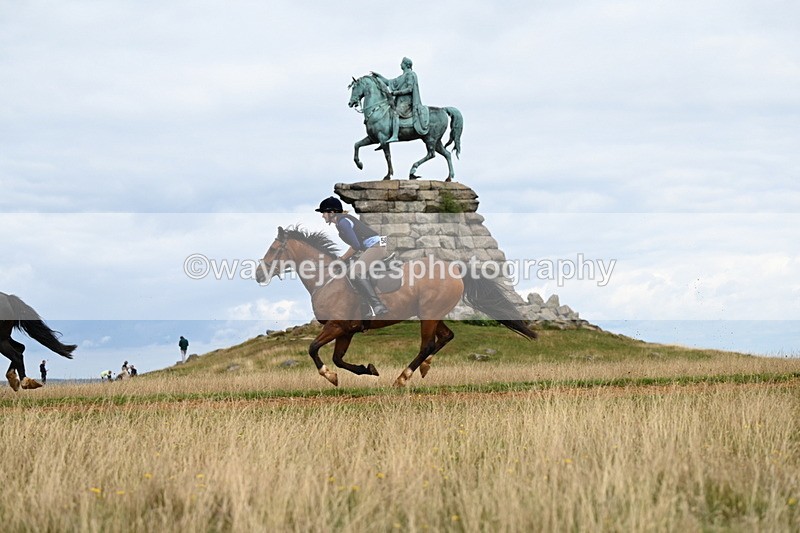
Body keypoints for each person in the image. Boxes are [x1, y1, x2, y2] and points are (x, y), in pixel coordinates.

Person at [316, 196, 389, 318]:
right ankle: (364, 306)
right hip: (370, 246)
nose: (322, 215)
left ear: (332, 212)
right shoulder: (341, 222)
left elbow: (355, 245)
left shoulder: (343, 222)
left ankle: (377, 305)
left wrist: (343, 258)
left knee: (355, 272)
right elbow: (356, 245)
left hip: (376, 246)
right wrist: (342, 259)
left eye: (323, 212)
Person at [371, 57, 430, 145]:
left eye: (402, 63)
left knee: (395, 113)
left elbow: (410, 89)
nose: (400, 64)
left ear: (406, 64)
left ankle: (395, 135)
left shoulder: (410, 75)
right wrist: (379, 76)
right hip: (399, 102)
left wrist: (395, 92)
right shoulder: (401, 77)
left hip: (407, 102)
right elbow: (388, 82)